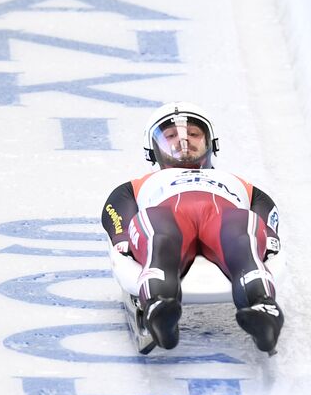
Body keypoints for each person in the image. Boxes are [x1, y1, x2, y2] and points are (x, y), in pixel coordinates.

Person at [101, 102, 283, 354]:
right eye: (171, 136)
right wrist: (121, 237)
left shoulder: (236, 182)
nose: (183, 141)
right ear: (153, 149)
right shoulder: (138, 185)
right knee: (159, 233)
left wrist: (271, 237)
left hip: (223, 217)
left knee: (241, 232)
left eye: (194, 134)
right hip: (168, 217)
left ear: (210, 142)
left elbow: (265, 207)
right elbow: (115, 209)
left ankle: (264, 310)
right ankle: (159, 307)